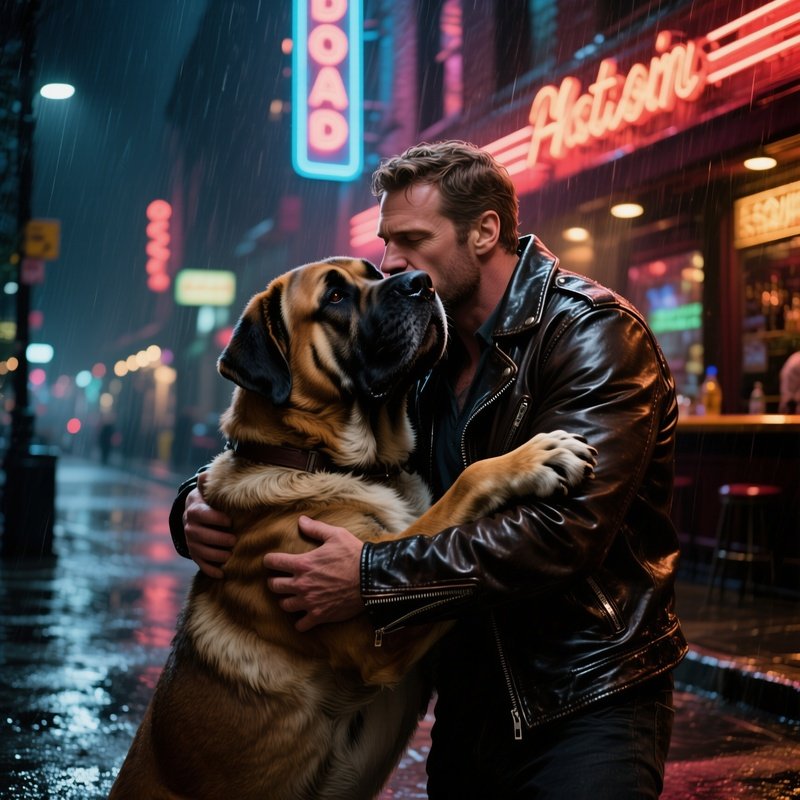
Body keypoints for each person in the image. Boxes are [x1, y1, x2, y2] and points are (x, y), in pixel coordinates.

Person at [170, 140, 687, 798]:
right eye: (387, 241)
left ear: (484, 232)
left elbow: (563, 534)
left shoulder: (592, 335)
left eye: (412, 239)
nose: (390, 263)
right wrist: (199, 504)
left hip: (584, 695)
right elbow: (315, 451)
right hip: (467, 698)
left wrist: (370, 577)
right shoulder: (418, 352)